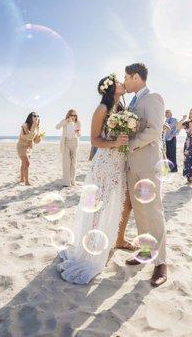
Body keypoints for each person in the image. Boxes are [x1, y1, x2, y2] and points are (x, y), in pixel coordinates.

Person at [57, 73, 135, 284]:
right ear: (110, 88)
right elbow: (94, 140)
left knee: (111, 207)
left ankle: (100, 244)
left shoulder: (122, 109)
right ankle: (88, 251)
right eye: (118, 81)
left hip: (118, 165)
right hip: (104, 165)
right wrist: (115, 143)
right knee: (97, 209)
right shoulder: (102, 109)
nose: (122, 83)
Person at [123, 63, 168, 287]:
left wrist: (129, 144)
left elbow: (154, 130)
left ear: (137, 77)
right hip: (132, 165)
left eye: (127, 77)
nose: (125, 80)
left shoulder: (153, 98)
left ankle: (161, 263)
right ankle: (145, 252)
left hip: (148, 164)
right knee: (139, 211)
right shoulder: (131, 102)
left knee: (153, 211)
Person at [16, 112, 44, 185]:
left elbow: (35, 140)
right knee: (27, 163)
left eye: (38, 116)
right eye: (34, 116)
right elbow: (29, 137)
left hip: (29, 148)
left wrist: (40, 137)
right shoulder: (25, 126)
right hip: (21, 146)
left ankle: (22, 179)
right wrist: (34, 125)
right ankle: (27, 182)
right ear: (30, 117)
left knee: (23, 163)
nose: (36, 117)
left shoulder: (37, 127)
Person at [56, 109, 81, 186]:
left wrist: (78, 132)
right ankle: (66, 182)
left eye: (75, 115)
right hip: (66, 142)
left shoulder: (78, 123)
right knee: (66, 162)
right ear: (69, 115)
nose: (73, 117)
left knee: (73, 163)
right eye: (72, 115)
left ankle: (72, 180)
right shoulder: (65, 122)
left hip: (74, 142)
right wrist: (66, 121)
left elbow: (79, 135)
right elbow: (57, 127)